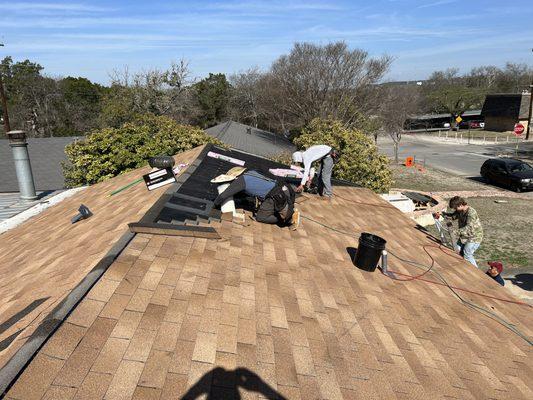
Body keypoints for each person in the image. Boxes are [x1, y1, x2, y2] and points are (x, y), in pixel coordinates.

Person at [213, 169, 299, 227]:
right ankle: (284, 212)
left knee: (261, 218)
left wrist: (214, 205)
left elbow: (224, 195)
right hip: (280, 189)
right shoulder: (250, 173)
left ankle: (290, 218)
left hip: (275, 196)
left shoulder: (240, 181)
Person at [434, 196, 483, 268]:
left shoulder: (471, 213)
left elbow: (469, 228)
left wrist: (455, 232)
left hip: (474, 237)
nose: (455, 210)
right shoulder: (460, 210)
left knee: (467, 254)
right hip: (464, 237)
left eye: (455, 208)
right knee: (457, 250)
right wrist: (442, 214)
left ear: (460, 205)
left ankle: (477, 271)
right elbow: (453, 216)